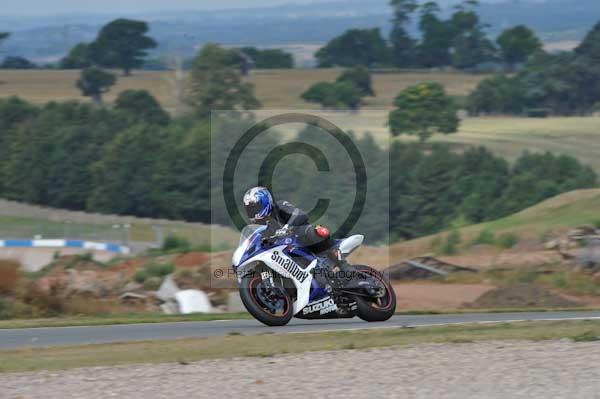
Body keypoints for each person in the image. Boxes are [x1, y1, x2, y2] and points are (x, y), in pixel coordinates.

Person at [242, 186, 346, 276]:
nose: (252, 211)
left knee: (314, 231)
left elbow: (300, 215)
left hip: (300, 237)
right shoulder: (264, 226)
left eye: (254, 207)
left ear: (264, 202)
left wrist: (288, 227)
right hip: (288, 252)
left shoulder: (280, 206)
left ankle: (340, 261)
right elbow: (261, 239)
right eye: (250, 209)